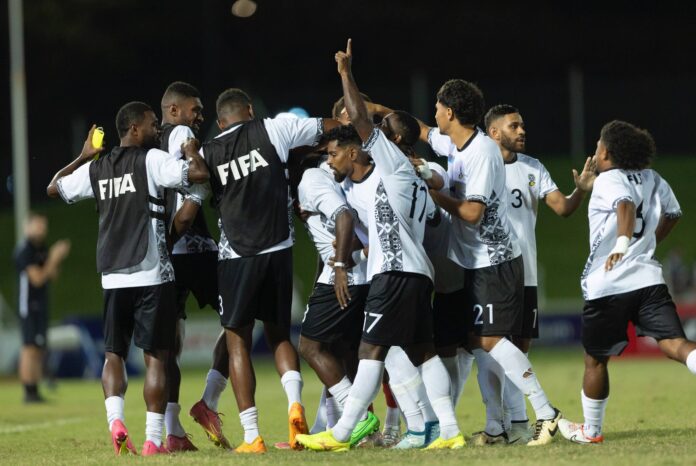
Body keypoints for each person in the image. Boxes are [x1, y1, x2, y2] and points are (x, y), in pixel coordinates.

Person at [296, 39, 464, 452]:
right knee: (423, 351)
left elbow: (356, 117)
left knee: (370, 348)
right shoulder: (407, 176)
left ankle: (341, 432)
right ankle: (449, 431)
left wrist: (346, 73)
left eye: (381, 133)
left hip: (393, 272)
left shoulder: (389, 162)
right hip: (417, 270)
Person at [47, 102, 209, 456]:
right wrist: (193, 151)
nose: (158, 130)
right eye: (153, 125)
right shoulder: (151, 160)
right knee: (156, 357)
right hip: (151, 272)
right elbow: (195, 175)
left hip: (112, 275)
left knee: (113, 355)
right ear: (135, 129)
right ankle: (153, 440)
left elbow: (54, 188)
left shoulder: (98, 168)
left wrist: (83, 155)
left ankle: (116, 421)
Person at [423, 79, 562, 446]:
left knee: (490, 339)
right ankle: (501, 426)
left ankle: (544, 413)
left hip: (495, 261)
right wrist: (372, 109)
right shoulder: (455, 144)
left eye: (437, 107)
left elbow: (471, 212)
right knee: (480, 340)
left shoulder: (482, 152)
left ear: (450, 112)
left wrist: (438, 195)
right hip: (477, 262)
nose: (433, 113)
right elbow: (421, 131)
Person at [201, 88, 340, 453]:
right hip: (279, 250)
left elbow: (193, 189)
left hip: (236, 257)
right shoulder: (274, 129)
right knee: (280, 336)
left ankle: (252, 436)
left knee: (238, 344)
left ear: (220, 121)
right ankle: (296, 410)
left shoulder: (209, 152)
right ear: (249, 110)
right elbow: (327, 126)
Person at [558, 120, 696, 444]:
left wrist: (622, 245)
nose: (595, 151)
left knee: (595, 360)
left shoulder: (610, 179)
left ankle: (591, 432)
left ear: (606, 152)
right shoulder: (653, 178)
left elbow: (625, 205)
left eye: (597, 146)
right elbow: (673, 213)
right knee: (675, 345)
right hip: (649, 280)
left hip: (609, 284)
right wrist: (646, 245)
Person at [482, 104, 597, 442]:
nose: (522, 131)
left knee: (519, 347)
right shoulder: (479, 166)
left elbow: (562, 207)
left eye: (523, 125)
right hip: (492, 270)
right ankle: (519, 419)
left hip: (526, 272)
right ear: (494, 132)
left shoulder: (533, 167)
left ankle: (516, 426)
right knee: (490, 342)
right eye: (514, 126)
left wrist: (581, 191)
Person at [157, 81, 231, 451]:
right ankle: (209, 401)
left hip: (168, 255)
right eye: (194, 109)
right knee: (241, 320)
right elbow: (192, 186)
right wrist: (198, 196)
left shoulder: (153, 147)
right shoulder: (182, 134)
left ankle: (172, 431)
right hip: (195, 249)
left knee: (171, 342)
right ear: (173, 111)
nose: (199, 117)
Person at [296, 157, 369, 434]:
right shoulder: (352, 178)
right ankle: (330, 425)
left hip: (344, 275)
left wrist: (340, 264)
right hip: (362, 274)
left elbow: (344, 218)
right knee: (350, 351)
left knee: (311, 347)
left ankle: (358, 418)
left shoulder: (313, 178)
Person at [14, 213, 70, 403]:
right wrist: (54, 257)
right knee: (29, 347)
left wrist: (56, 259)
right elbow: (37, 279)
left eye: (43, 226)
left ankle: (34, 391)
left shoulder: (41, 248)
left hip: (41, 303)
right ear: (27, 227)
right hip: (28, 304)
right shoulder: (25, 250)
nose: (42, 230)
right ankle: (27, 391)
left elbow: (52, 275)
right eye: (38, 226)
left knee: (38, 347)